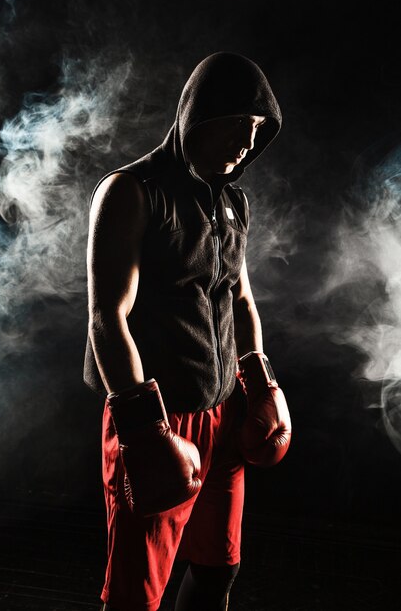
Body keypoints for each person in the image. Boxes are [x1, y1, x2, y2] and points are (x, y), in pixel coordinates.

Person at [84, 51, 292, 611]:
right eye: (237, 126)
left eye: (258, 131)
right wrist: (144, 430)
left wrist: (262, 381)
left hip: (222, 414)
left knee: (218, 568)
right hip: (156, 416)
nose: (247, 143)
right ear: (199, 117)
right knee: (137, 593)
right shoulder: (131, 191)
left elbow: (242, 299)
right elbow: (107, 317)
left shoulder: (234, 205)